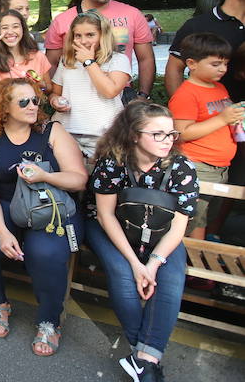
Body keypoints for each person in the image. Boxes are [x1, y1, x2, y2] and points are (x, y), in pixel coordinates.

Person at [0, 78, 87, 356]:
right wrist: (3, 232)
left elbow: (78, 179)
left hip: (50, 206)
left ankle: (49, 320)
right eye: (23, 101)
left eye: (35, 100)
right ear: (4, 107)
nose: (32, 106)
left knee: (44, 252)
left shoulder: (51, 131)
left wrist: (45, 175)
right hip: (7, 204)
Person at [85, 102, 197, 382]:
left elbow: (178, 227)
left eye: (171, 134)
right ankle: (147, 360)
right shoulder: (114, 162)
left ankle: (144, 361)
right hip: (112, 227)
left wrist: (154, 264)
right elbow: (105, 215)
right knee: (123, 274)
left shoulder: (181, 167)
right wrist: (136, 264)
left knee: (169, 282)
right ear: (134, 135)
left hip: (161, 234)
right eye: (157, 134)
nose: (167, 140)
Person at [165, 0, 245, 189]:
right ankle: (213, 227)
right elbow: (174, 68)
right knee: (220, 189)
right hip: (211, 126)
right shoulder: (197, 26)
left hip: (234, 124)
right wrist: (187, 111)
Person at [168, 33, 243, 240]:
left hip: (220, 167)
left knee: (208, 217)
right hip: (197, 166)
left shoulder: (219, 87)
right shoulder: (186, 94)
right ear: (191, 63)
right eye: (216, 64)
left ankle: (201, 257)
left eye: (226, 63)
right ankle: (192, 266)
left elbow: (223, 119)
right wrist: (222, 119)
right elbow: (181, 133)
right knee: (195, 221)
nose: (223, 69)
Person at [45, 0, 155, 102]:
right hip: (76, 96)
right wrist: (54, 97)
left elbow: (146, 58)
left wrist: (143, 95)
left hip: (119, 94)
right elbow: (52, 63)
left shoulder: (133, 14)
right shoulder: (62, 21)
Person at [49, 12, 131, 160]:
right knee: (70, 180)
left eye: (90, 35)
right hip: (66, 132)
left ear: (103, 35)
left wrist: (88, 62)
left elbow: (110, 91)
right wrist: (55, 101)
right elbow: (55, 93)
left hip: (103, 135)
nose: (83, 41)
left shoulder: (118, 60)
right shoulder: (67, 60)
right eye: (78, 35)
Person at [0, 10, 52, 99]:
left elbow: (49, 88)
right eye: (4, 28)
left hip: (31, 110)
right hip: (2, 111)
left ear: (23, 29)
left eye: (15, 26)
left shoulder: (38, 56)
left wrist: (41, 85)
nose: (10, 32)